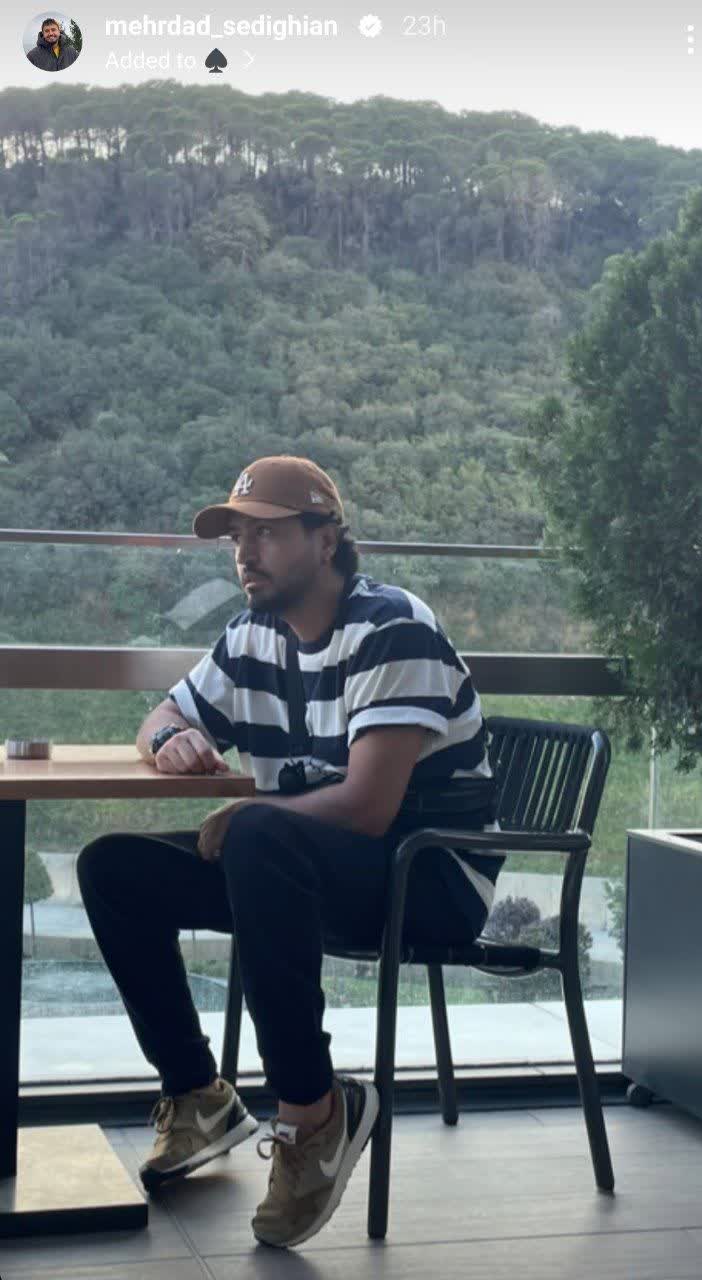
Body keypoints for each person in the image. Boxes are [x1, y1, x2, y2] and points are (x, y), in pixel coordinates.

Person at [76, 454, 503, 1249]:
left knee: (258, 832)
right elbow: (161, 714)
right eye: (236, 536)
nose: (245, 552)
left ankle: (313, 1112)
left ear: (326, 540)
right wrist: (171, 739)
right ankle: (198, 1098)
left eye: (267, 533)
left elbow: (368, 808)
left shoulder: (391, 627)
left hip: (428, 876)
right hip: (294, 866)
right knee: (113, 870)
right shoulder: (253, 635)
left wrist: (251, 816)